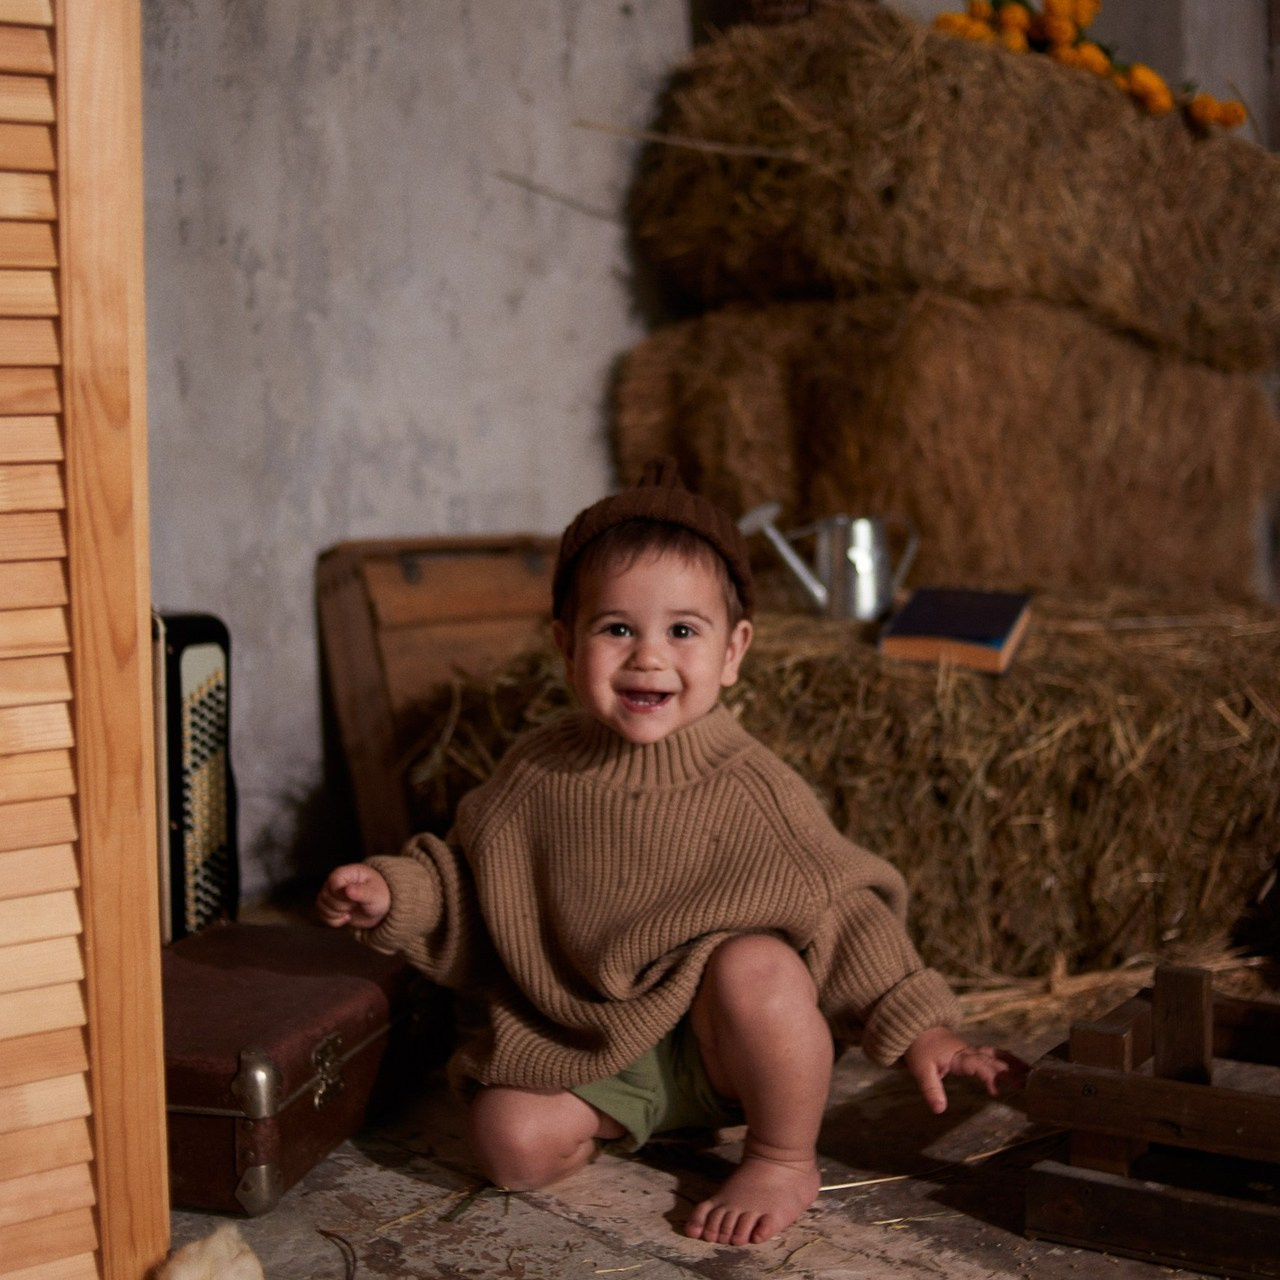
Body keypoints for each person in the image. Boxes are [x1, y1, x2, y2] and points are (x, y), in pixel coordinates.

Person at [317, 457, 1024, 1247]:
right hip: (594, 1047)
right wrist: (394, 894)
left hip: (726, 1049)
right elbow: (473, 887)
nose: (648, 657)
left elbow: (844, 910)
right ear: (564, 643)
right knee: (506, 1143)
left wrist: (924, 1028)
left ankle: (781, 1155)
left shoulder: (753, 786)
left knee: (758, 966)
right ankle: (630, 1123)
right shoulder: (537, 775)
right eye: (617, 628)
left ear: (733, 651)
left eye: (682, 631)